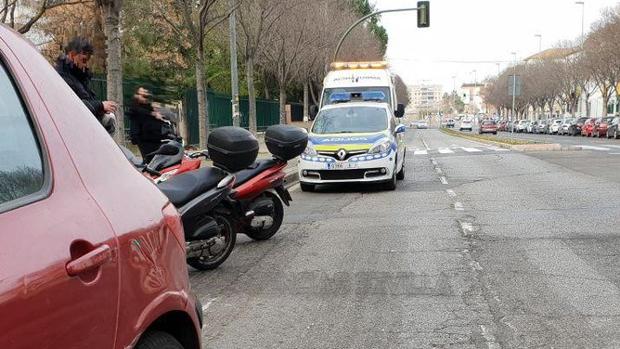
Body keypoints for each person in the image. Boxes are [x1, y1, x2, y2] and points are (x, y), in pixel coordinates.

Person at [55, 37, 117, 132]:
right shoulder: (61, 78)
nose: (86, 64)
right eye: (84, 59)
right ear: (72, 55)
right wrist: (100, 105)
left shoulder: (78, 78)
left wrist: (101, 110)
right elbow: (73, 107)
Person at [128, 87, 169, 163]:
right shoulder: (135, 107)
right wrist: (153, 114)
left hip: (154, 137)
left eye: (146, 94)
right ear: (136, 95)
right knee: (149, 160)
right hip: (144, 138)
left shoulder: (147, 106)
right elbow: (136, 110)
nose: (145, 96)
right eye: (142, 95)